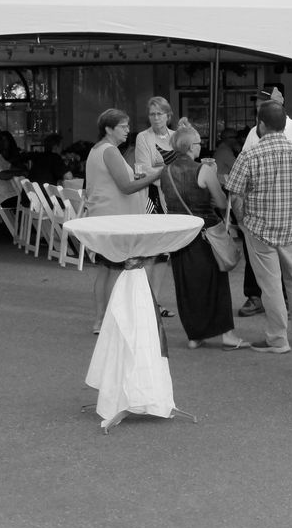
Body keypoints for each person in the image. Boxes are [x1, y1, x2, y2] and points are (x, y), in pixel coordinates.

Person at [224, 101, 292, 352]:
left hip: (260, 230)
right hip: (291, 228)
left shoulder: (249, 155)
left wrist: (242, 221)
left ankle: (278, 339)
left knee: (271, 285)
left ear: (261, 124)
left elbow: (235, 195)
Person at [237, 84, 292, 312]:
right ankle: (258, 299)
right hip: (259, 210)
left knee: (287, 269)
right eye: (258, 103)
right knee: (263, 263)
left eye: (263, 103)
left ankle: (280, 319)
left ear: (278, 104)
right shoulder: (254, 131)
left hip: (282, 210)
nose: (259, 107)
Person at [153, 121, 241, 350]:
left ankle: (195, 335)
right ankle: (227, 335)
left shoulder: (166, 172)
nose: (200, 146)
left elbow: (166, 203)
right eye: (198, 143)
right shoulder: (203, 170)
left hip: (180, 235)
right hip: (205, 234)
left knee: (186, 286)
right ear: (191, 146)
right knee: (215, 284)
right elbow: (221, 202)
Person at [84, 108, 166, 327]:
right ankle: (109, 320)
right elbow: (126, 186)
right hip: (113, 218)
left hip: (103, 216)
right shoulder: (109, 151)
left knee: (105, 269)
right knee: (116, 269)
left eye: (128, 125)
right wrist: (156, 175)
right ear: (109, 129)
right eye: (123, 126)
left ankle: (101, 320)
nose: (127, 130)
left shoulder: (98, 149)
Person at [131, 96, 175, 175]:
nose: (156, 118)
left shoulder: (176, 136)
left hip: (180, 185)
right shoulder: (142, 137)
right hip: (156, 185)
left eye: (159, 114)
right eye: (152, 114)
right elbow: (145, 170)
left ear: (168, 116)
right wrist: (171, 176)